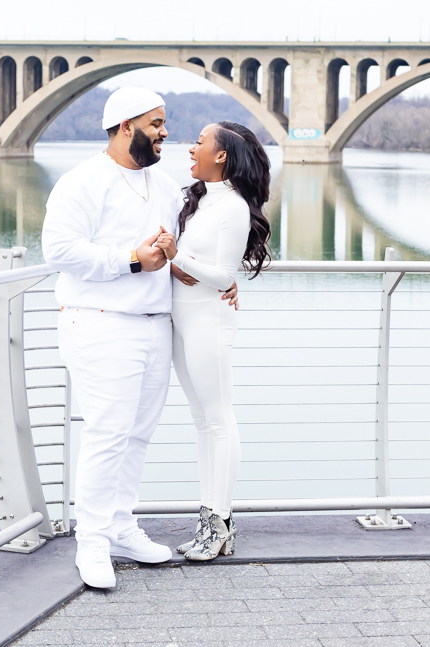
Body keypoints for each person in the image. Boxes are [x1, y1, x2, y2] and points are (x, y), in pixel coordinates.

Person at [41, 88, 237, 588]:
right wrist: (130, 259)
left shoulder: (165, 185)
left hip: (155, 325)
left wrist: (222, 278)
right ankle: (92, 542)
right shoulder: (81, 183)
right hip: (101, 321)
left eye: (165, 123)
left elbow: (185, 247)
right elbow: (59, 251)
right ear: (126, 126)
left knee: (138, 434)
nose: (165, 133)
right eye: (156, 124)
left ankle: (121, 526)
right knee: (107, 433)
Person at [154, 121, 271, 561]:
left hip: (209, 322)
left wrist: (175, 256)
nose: (191, 148)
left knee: (219, 420)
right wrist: (177, 262)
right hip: (183, 320)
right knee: (203, 422)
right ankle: (208, 523)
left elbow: (224, 275)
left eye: (200, 143)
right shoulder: (200, 200)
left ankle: (220, 524)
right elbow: (193, 266)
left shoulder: (234, 207)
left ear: (221, 155)